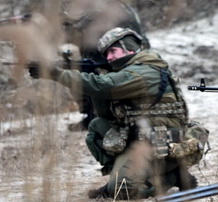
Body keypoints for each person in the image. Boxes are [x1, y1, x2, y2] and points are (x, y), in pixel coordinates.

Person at [29, 27, 206, 199]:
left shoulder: (143, 71)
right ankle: (123, 174)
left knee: (124, 190)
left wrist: (56, 74)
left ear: (129, 48)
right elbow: (106, 115)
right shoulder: (129, 72)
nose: (110, 58)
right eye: (106, 55)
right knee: (97, 127)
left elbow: (104, 85)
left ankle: (174, 176)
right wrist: (91, 79)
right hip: (140, 136)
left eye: (113, 51)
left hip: (159, 142)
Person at [61, 0, 151, 131]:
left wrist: (65, 22)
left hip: (119, 56)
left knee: (84, 75)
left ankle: (98, 116)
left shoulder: (105, 8)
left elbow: (81, 29)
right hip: (129, 53)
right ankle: (94, 115)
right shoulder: (119, 6)